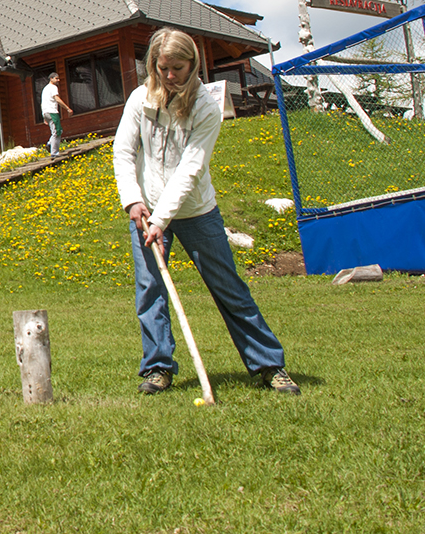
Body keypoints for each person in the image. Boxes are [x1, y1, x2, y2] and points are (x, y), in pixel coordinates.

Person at [113, 28, 299, 396]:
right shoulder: (139, 99)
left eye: (178, 68)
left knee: (228, 287)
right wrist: (134, 200)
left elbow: (190, 169)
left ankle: (269, 365)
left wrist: (163, 219)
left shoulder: (205, 107)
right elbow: (123, 151)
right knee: (150, 291)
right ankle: (158, 369)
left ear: (192, 64)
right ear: (153, 65)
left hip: (196, 211)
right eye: (163, 68)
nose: (170, 76)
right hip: (146, 211)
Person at [40, 72, 72, 156]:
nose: (58, 80)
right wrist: (67, 108)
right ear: (51, 79)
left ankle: (50, 144)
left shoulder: (45, 89)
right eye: (56, 78)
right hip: (52, 112)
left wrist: (44, 116)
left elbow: (42, 103)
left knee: (57, 130)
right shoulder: (53, 87)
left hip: (46, 112)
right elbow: (57, 99)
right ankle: (54, 153)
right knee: (56, 132)